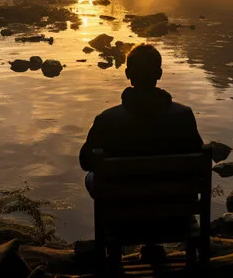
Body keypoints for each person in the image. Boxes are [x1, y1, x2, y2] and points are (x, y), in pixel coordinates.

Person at [79, 43, 204, 194]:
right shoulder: (184, 116)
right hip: (174, 208)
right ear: (159, 73)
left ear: (127, 74)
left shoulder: (106, 120)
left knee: (90, 177)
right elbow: (200, 161)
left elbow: (85, 162)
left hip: (123, 207)